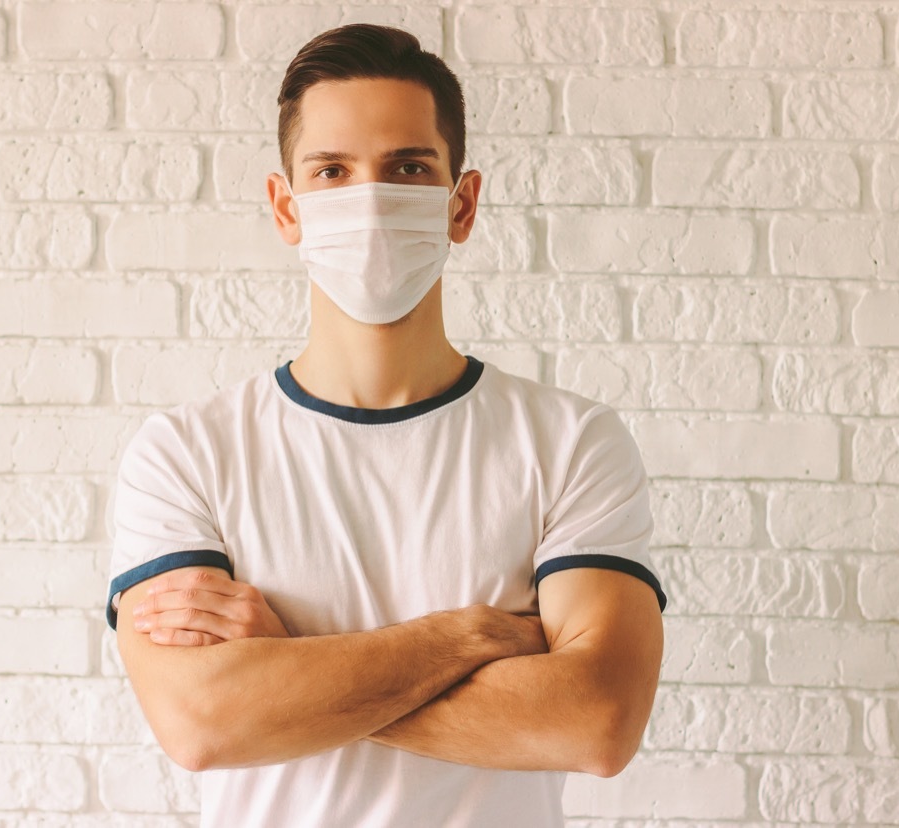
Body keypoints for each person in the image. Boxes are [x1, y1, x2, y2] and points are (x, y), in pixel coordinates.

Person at [106, 23, 666, 828]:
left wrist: (288, 670)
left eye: (408, 168)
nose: (368, 200)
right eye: (331, 171)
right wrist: (464, 639)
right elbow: (200, 724)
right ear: (285, 207)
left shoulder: (571, 442)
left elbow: (597, 721)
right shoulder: (187, 454)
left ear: (461, 203)